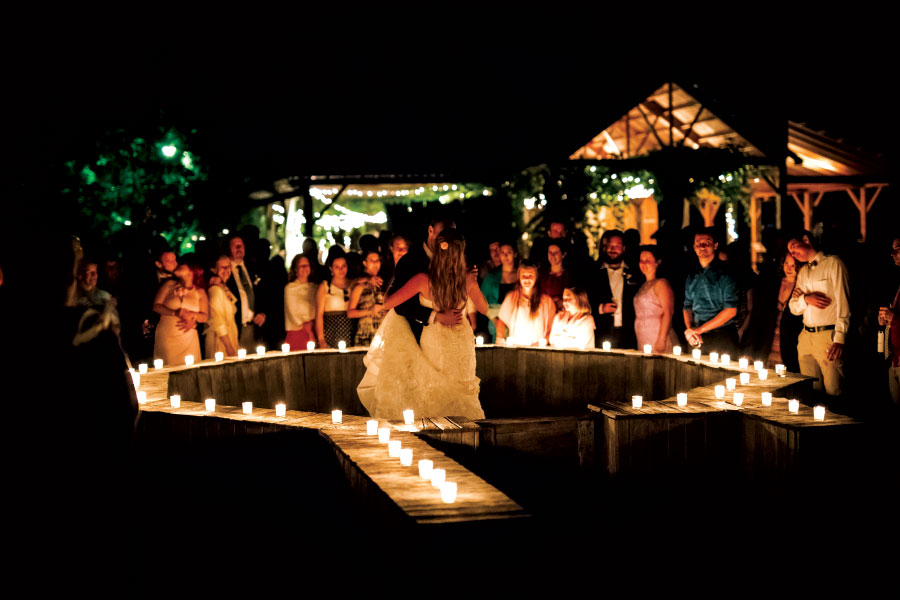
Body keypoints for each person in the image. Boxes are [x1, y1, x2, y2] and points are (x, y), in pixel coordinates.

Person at [358, 228, 487, 420]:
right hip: (462, 341)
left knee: (434, 390)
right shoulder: (467, 280)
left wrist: (395, 285)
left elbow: (388, 302)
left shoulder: (422, 280)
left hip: (436, 339)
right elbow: (484, 308)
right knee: (462, 388)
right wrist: (473, 282)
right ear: (461, 254)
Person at [385, 213, 465, 344]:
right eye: (442, 235)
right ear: (430, 230)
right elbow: (399, 305)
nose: (446, 240)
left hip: (453, 339)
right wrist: (435, 316)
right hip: (417, 336)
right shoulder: (410, 261)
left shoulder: (456, 264)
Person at [787, 234, 850, 398]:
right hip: (806, 336)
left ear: (806, 240)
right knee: (810, 390)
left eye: (794, 247)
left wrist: (839, 339)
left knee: (834, 390)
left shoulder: (833, 263)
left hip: (827, 336)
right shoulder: (802, 272)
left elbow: (844, 302)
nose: (793, 253)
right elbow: (793, 308)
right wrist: (806, 299)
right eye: (790, 252)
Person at [744, 251, 803, 372]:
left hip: (789, 344)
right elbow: (759, 316)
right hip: (768, 342)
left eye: (793, 265)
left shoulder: (802, 286)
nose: (789, 268)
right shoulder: (774, 283)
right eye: (786, 263)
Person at [683, 228, 739, 355]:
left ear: (715, 245)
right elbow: (687, 306)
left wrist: (699, 330)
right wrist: (691, 331)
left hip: (722, 337)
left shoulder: (726, 273)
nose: (702, 246)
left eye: (707, 243)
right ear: (694, 247)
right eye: (698, 243)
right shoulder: (692, 274)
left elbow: (731, 310)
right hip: (697, 338)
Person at [592, 230, 642, 349]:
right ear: (605, 247)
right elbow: (584, 301)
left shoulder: (635, 272)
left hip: (629, 335)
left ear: (624, 248)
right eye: (610, 246)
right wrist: (600, 308)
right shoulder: (593, 272)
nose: (613, 249)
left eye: (617, 246)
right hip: (602, 333)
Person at [153, 263, 207, 366]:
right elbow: (156, 306)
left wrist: (193, 316)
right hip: (168, 337)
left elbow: (205, 317)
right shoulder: (169, 284)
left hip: (188, 339)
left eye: (182, 265)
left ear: (191, 271)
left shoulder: (199, 292)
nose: (177, 265)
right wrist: (175, 312)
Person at [496, 259, 556, 345]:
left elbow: (551, 327)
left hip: (538, 349)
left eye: (530, 276)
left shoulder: (547, 301)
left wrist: (544, 341)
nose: (527, 279)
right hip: (516, 348)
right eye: (524, 276)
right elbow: (501, 321)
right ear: (519, 277)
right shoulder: (512, 298)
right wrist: (499, 340)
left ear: (536, 277)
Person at [633, 245, 678, 352]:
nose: (643, 264)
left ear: (657, 262)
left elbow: (668, 311)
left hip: (658, 335)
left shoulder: (661, 284)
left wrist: (661, 340)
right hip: (643, 337)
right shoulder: (643, 285)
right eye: (641, 260)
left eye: (648, 260)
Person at [225, 234, 266, 350]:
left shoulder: (253, 267)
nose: (239, 248)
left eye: (241, 245)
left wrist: (263, 313)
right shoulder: (225, 271)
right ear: (228, 249)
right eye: (235, 246)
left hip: (255, 327)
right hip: (236, 327)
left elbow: (263, 294)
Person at [315, 249, 355, 348]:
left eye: (343, 266)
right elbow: (319, 315)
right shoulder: (325, 286)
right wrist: (321, 340)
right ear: (331, 268)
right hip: (330, 331)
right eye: (337, 267)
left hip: (349, 331)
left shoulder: (353, 284)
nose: (341, 270)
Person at [480, 242, 518, 340]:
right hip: (496, 321)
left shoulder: (521, 275)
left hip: (517, 319)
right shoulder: (491, 277)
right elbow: (481, 300)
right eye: (502, 252)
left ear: (515, 254)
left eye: (509, 252)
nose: (505, 255)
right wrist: (494, 319)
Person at [348, 250, 385, 347]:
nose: (375, 263)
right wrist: (370, 311)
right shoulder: (360, 286)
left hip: (383, 333)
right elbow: (350, 313)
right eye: (372, 260)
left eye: (377, 260)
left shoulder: (384, 284)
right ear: (364, 263)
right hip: (365, 334)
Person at [879, 236, 900, 406]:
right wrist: (886, 321)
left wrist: (895, 318)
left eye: (898, 249)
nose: (893, 254)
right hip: (895, 360)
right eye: (892, 250)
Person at [204, 255, 239, 358]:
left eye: (228, 266)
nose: (227, 270)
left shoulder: (223, 288)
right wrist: (229, 347)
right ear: (214, 270)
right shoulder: (215, 290)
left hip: (231, 335)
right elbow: (217, 321)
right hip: (220, 341)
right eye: (223, 267)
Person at [284, 254, 317, 351]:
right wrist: (307, 328)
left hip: (314, 328)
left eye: (307, 265)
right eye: (302, 266)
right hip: (297, 331)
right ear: (295, 269)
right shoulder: (290, 288)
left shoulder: (314, 287)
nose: (305, 268)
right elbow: (292, 313)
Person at [540, 240, 570, 312]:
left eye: (556, 253)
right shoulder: (542, 275)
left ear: (563, 254)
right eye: (550, 252)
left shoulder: (569, 276)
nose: (552, 255)